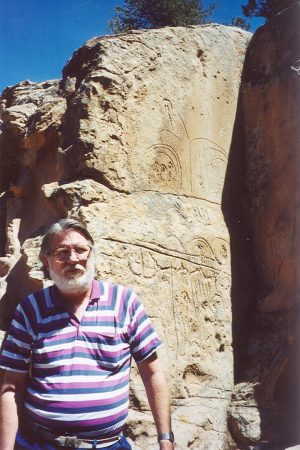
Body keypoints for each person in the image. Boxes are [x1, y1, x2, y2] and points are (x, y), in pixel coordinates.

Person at [0, 219, 174, 450]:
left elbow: (153, 375)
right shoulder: (31, 309)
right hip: (40, 444)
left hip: (107, 446)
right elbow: (11, 386)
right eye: (61, 252)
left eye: (81, 250)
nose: (73, 258)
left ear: (92, 254)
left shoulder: (124, 302)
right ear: (46, 260)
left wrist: (165, 438)